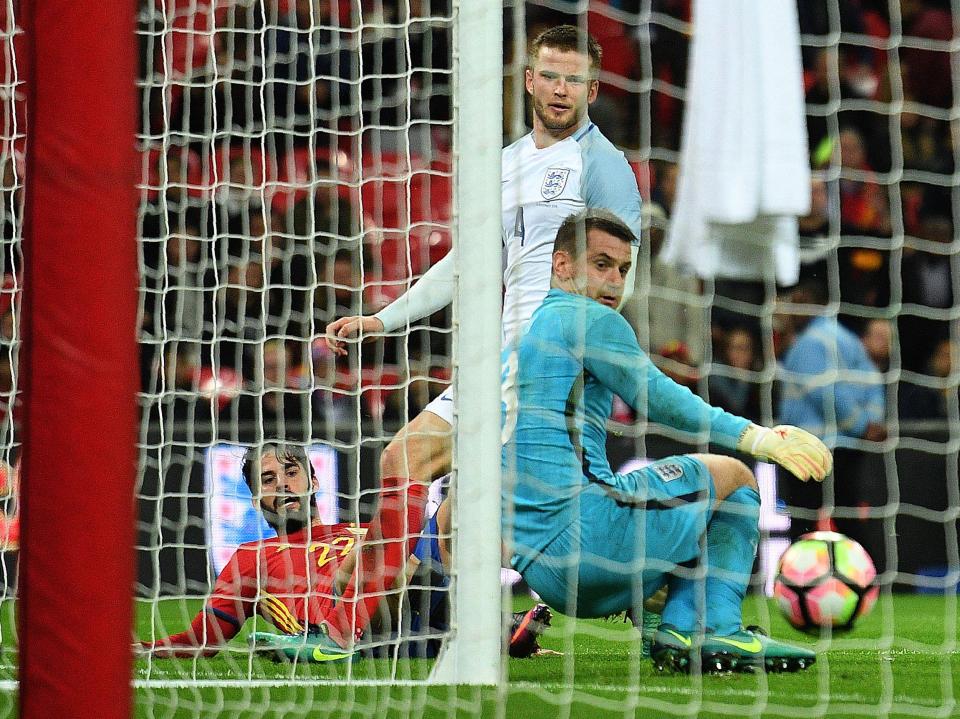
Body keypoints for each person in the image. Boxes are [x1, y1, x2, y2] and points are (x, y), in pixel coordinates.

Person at [324, 24, 642, 519]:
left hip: (550, 363)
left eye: (574, 81)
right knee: (403, 466)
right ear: (530, 80)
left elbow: (624, 272)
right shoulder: (504, 163)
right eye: (551, 77)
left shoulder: (603, 165)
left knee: (467, 511)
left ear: (593, 91)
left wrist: (579, 353)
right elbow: (467, 262)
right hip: (500, 359)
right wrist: (382, 320)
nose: (561, 90)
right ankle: (413, 597)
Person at [502, 209, 832, 673]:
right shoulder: (589, 319)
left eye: (622, 269)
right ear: (562, 265)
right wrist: (756, 438)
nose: (615, 282)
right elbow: (659, 398)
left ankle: (669, 631)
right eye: (601, 264)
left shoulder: (518, 338)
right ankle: (718, 629)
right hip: (589, 540)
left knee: (674, 510)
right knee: (733, 479)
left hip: (543, 573)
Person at [137, 442, 426, 663]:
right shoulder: (252, 556)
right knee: (369, 560)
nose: (283, 484)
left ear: (314, 482)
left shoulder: (362, 529)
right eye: (268, 480)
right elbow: (205, 639)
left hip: (419, 601)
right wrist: (143, 649)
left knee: (440, 523)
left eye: (291, 472)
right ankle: (335, 638)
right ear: (254, 499)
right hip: (359, 619)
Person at [777, 281, 886, 543]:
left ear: (805, 301)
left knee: (803, 524)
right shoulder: (846, 337)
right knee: (848, 519)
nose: (788, 311)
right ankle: (867, 577)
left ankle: (800, 581)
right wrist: (871, 421)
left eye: (793, 304)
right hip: (846, 447)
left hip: (812, 447)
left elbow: (825, 392)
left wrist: (861, 425)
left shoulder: (810, 342)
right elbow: (872, 381)